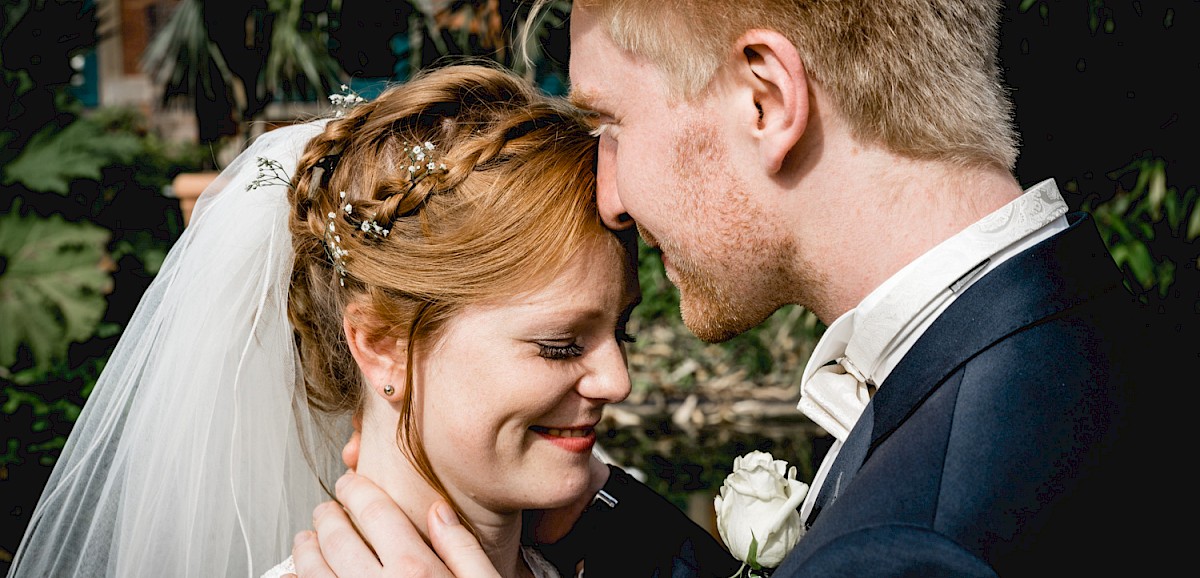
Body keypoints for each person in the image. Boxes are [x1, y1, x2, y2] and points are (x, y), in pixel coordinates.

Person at [292, 1, 1170, 577]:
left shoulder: (917, 542)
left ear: (765, 100)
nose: (608, 196)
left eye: (610, 123)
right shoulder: (1098, 341)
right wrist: (597, 505)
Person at [5, 63, 733, 578]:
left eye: (621, 331)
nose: (619, 379)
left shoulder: (626, 546)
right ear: (382, 346)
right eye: (559, 345)